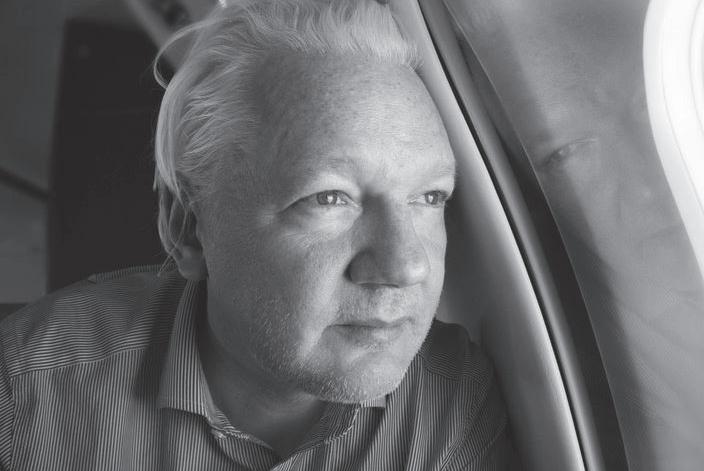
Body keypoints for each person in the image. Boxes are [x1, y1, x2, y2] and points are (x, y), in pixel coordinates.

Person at [0, 0, 514, 469]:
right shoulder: (24, 394)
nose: (406, 266)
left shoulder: (453, 401)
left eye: (429, 197)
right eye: (329, 198)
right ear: (189, 229)